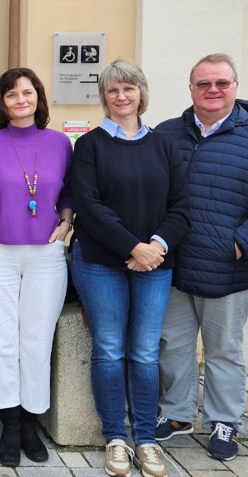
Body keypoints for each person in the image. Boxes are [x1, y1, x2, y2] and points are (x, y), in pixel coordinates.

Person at [70, 59, 190, 477]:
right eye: (112, 90)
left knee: (143, 352)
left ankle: (146, 438)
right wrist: (132, 246)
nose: (121, 97)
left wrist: (154, 246)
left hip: (156, 262)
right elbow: (90, 206)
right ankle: (115, 438)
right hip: (101, 261)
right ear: (103, 97)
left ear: (141, 92)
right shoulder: (90, 145)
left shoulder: (164, 145)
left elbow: (181, 206)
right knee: (109, 349)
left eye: (128, 89)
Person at [0, 67, 73, 467]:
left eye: (27, 93)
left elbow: (68, 193)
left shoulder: (61, 143)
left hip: (45, 257)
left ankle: (30, 422)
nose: (20, 100)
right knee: (0, 339)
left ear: (38, 97)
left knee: (36, 341)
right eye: (12, 95)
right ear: (2, 103)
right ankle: (9, 423)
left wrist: (66, 220)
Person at [155, 53, 248, 462]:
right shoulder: (166, 133)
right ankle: (176, 415)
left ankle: (224, 420)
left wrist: (240, 241)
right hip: (174, 264)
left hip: (227, 267)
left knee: (223, 348)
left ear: (235, 87)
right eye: (203, 83)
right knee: (172, 344)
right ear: (190, 88)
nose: (212, 90)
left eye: (221, 83)